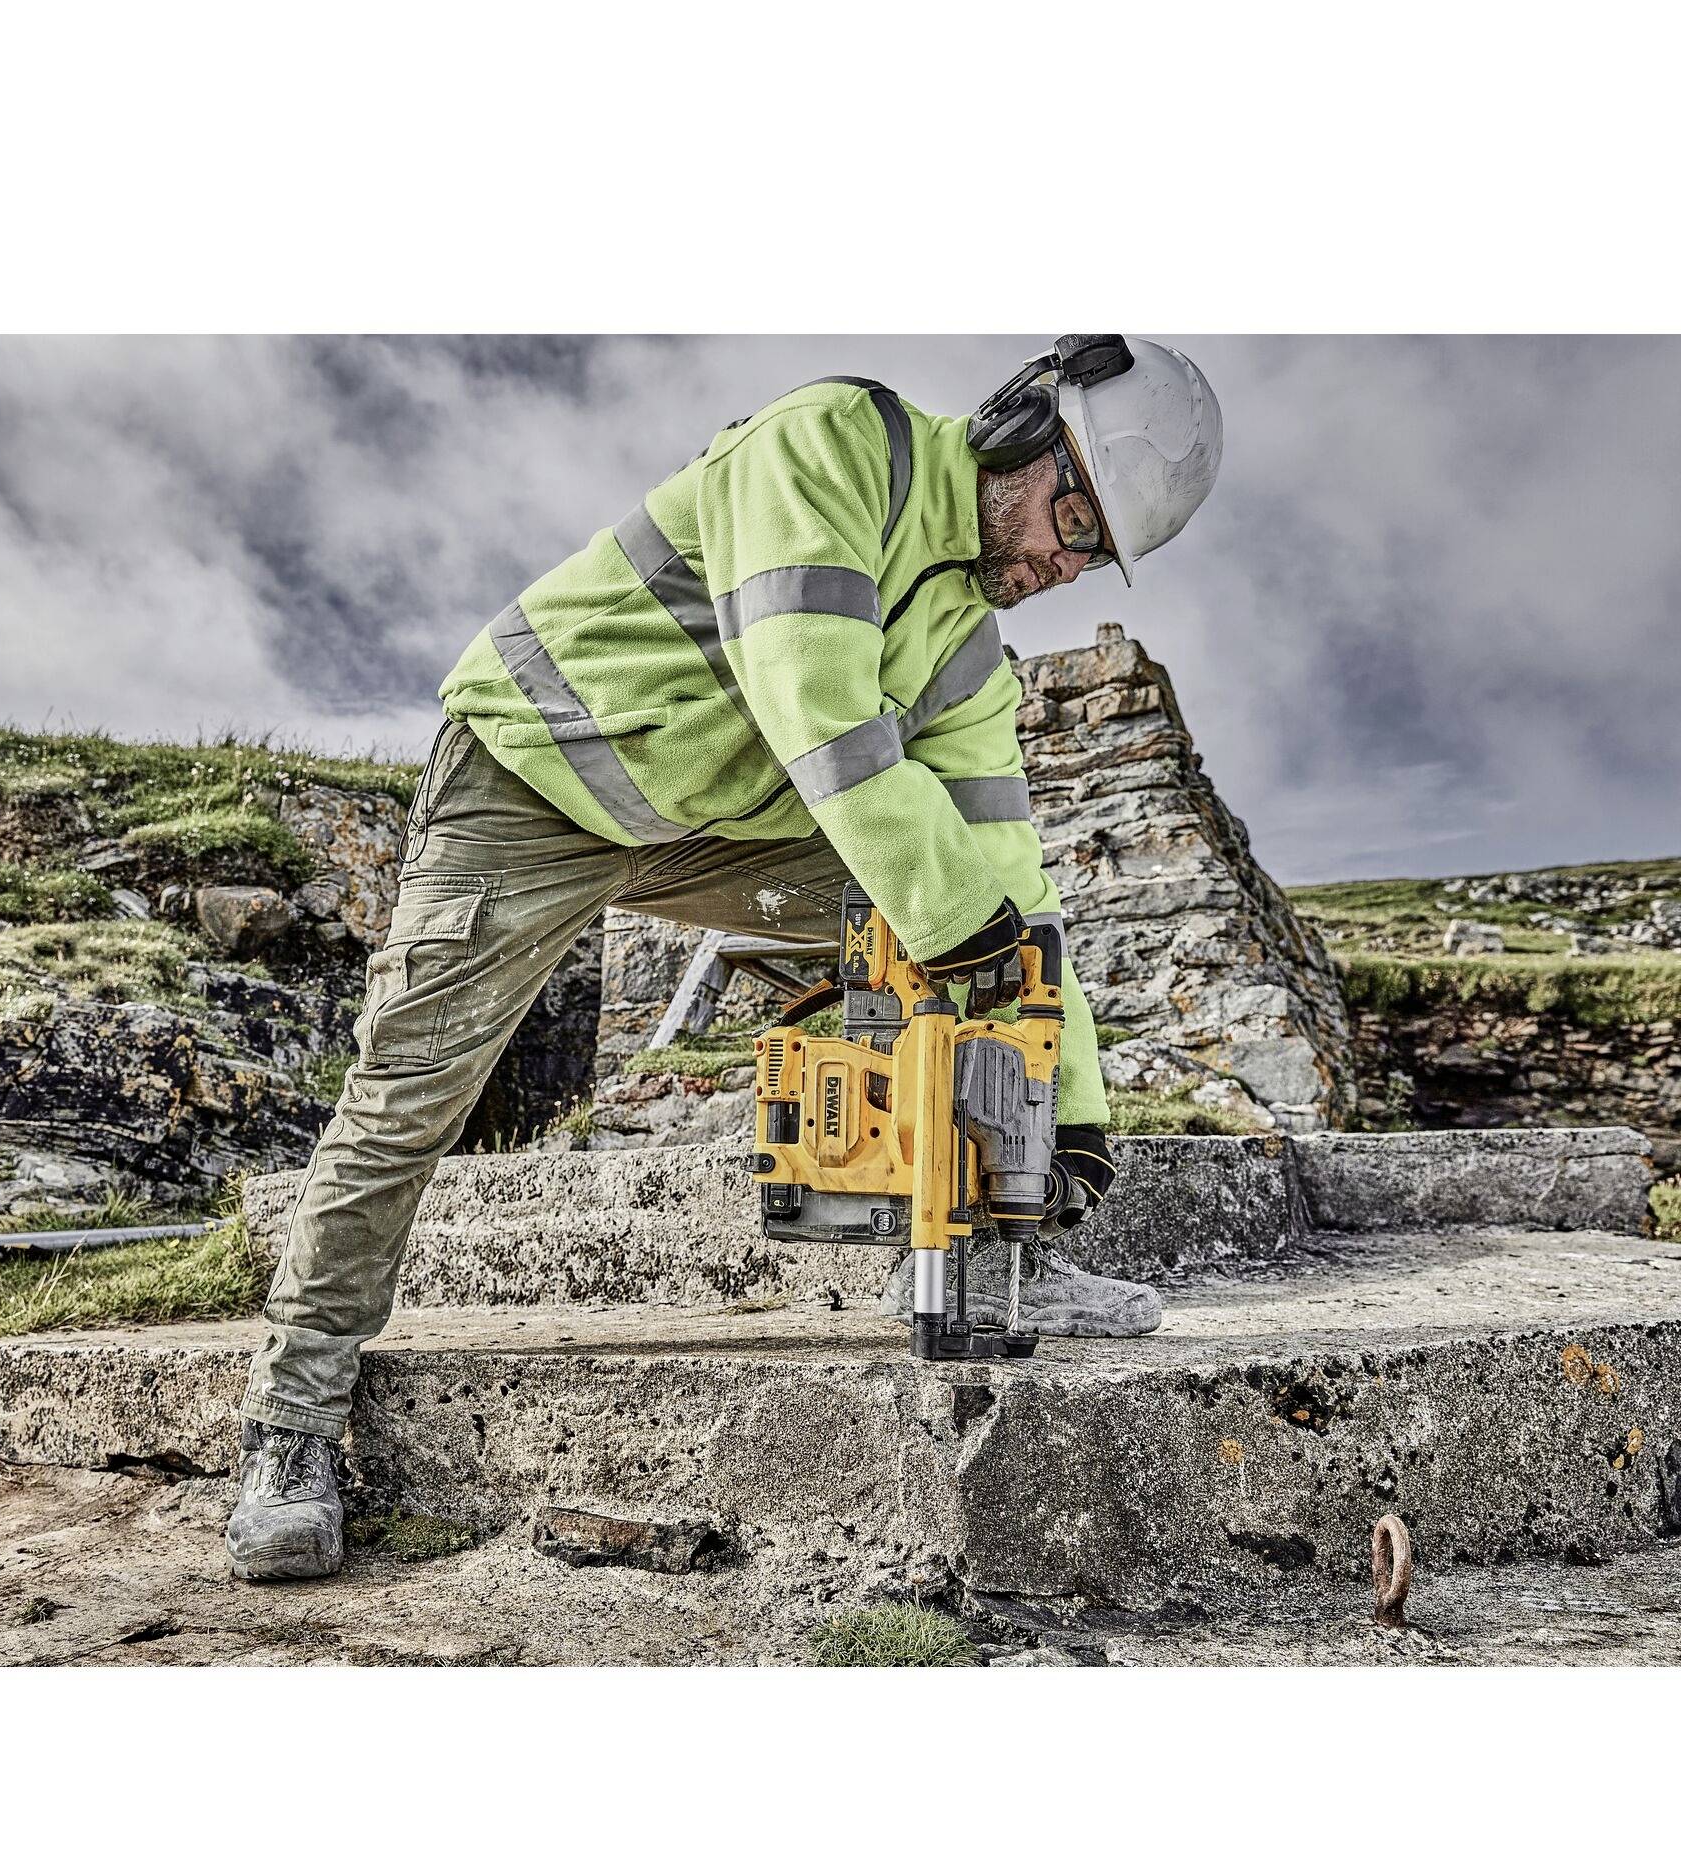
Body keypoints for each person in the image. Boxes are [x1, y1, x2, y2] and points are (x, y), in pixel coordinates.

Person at [227, 335, 1223, 1580]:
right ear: (1024, 428)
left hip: (717, 822)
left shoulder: (968, 640)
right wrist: (953, 927)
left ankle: (999, 1251)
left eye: (1089, 557)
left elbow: (1009, 885)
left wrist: (1066, 1115)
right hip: (535, 778)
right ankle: (290, 1421)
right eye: (1069, 517)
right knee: (406, 1101)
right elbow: (823, 714)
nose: (1056, 566)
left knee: (972, 935)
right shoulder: (835, 444)